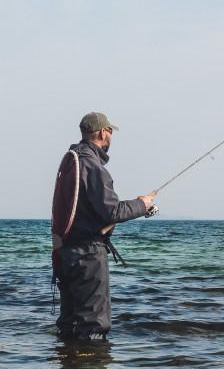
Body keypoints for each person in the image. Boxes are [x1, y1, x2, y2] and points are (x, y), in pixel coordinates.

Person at [52, 112, 157, 341]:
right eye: (110, 132)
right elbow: (112, 212)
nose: (110, 137)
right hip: (88, 255)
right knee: (93, 325)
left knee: (69, 324)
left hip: (66, 253)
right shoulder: (92, 166)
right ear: (102, 133)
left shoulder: (73, 160)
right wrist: (142, 204)